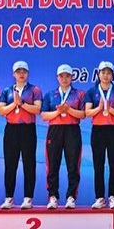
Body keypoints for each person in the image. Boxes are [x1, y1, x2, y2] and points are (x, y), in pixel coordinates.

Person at [0, 61, 42, 210]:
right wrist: (14, 104)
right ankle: (9, 198)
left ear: (27, 73)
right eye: (18, 71)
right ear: (13, 74)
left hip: (28, 130)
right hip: (11, 130)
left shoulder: (34, 90)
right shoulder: (6, 91)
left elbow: (37, 109)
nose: (21, 74)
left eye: (24, 71)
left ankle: (28, 198)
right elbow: (1, 111)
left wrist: (21, 103)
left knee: (29, 164)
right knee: (10, 164)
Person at [41, 64, 86, 210]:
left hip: (72, 130)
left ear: (72, 77)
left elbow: (83, 114)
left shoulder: (79, 94)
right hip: (54, 130)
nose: (64, 79)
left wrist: (69, 110)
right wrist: (59, 112)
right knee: (52, 165)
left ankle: (71, 197)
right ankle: (53, 197)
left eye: (67, 76)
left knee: (73, 165)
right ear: (57, 78)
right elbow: (43, 115)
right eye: (62, 76)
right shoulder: (50, 95)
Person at [85, 61, 114, 209]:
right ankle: (100, 197)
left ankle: (113, 197)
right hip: (98, 131)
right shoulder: (91, 91)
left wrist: (109, 108)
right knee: (98, 165)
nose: (106, 75)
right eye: (103, 72)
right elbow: (87, 112)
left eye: (109, 73)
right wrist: (100, 108)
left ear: (112, 75)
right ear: (98, 74)